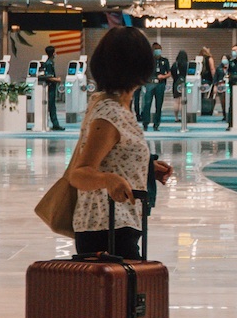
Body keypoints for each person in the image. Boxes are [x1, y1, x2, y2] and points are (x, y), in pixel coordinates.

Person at [67, 27, 173, 258]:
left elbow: (112, 155)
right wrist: (108, 180)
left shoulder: (118, 107)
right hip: (106, 228)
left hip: (121, 222)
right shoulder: (109, 113)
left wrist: (145, 167)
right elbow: (79, 173)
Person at [140, 42, 171, 131]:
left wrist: (163, 76)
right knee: (147, 104)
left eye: (159, 50)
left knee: (159, 105)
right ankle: (145, 123)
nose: (158, 52)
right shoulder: (148, 61)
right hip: (150, 83)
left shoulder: (165, 60)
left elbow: (169, 73)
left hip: (160, 84)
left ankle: (156, 124)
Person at [39, 46, 65, 131]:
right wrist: (57, 79)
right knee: (52, 106)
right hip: (50, 87)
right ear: (53, 53)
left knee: (52, 106)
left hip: (51, 87)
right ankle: (55, 124)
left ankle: (55, 123)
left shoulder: (49, 62)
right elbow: (48, 76)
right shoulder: (49, 63)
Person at [172, 49, 190, 125]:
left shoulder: (174, 64)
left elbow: (172, 73)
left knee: (176, 101)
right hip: (184, 83)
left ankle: (176, 117)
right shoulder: (187, 64)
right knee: (182, 101)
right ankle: (183, 117)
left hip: (176, 83)